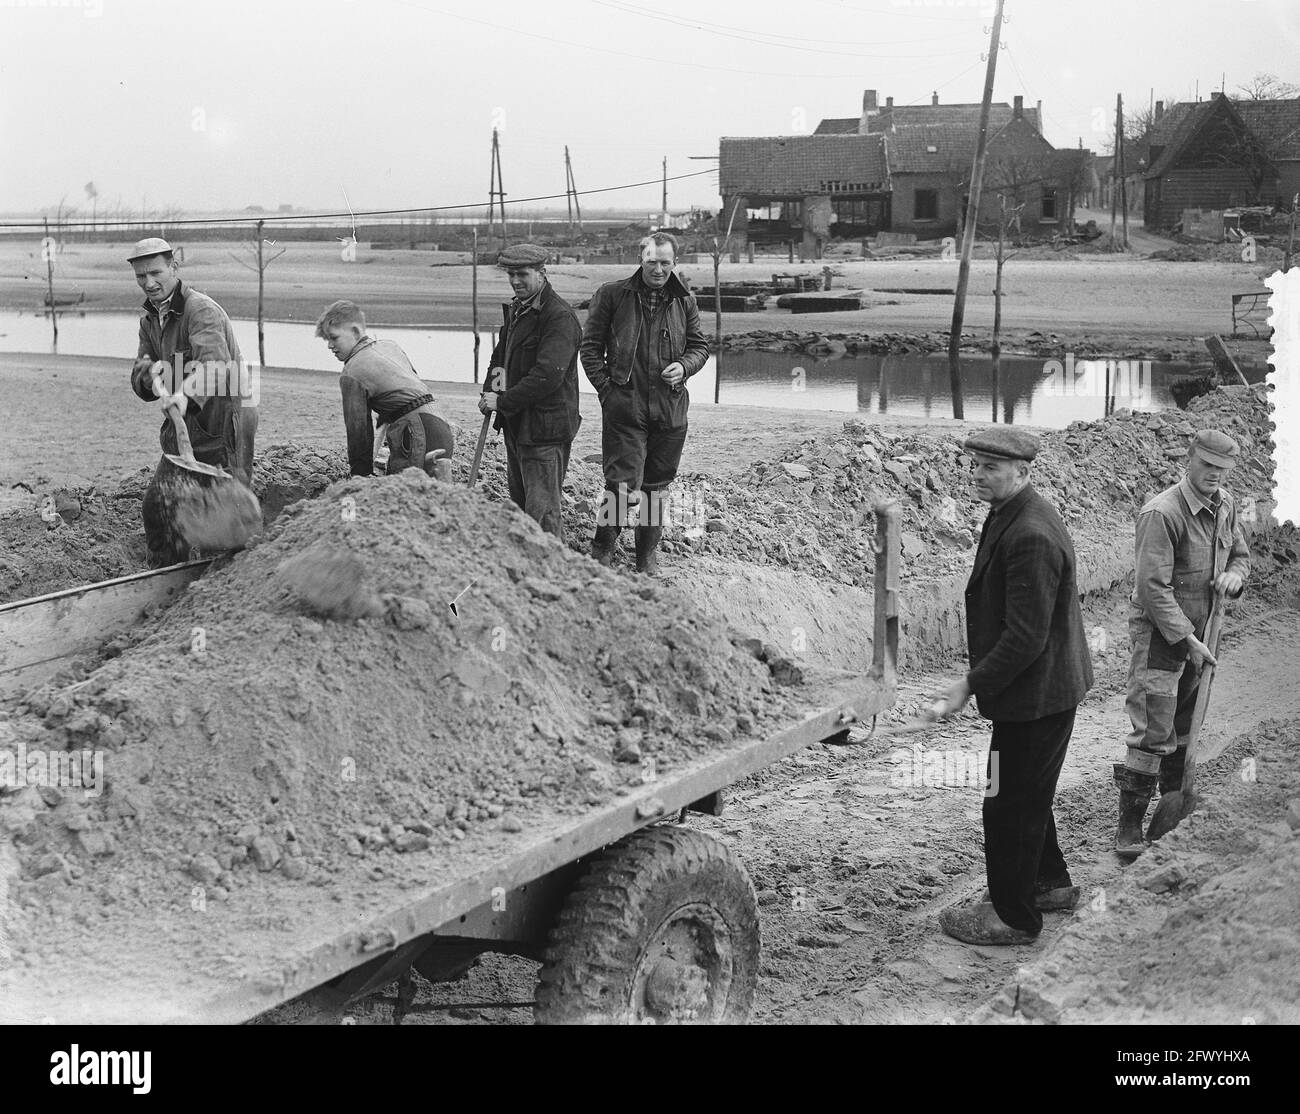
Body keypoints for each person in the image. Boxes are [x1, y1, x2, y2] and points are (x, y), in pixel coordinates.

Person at [933, 428, 1094, 946]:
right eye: (975, 465)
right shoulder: (1013, 513)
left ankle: (1015, 917)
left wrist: (968, 685)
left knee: (1007, 803)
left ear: (1023, 472)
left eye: (990, 468)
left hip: (1038, 693)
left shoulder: (1030, 534)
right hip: (1040, 689)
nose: (977, 475)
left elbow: (1026, 637)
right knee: (1028, 794)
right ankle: (1047, 885)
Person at [1113, 429, 1251, 859]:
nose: (1213, 474)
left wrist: (1235, 576)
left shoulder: (1225, 506)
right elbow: (1152, 589)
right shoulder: (1162, 513)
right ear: (1189, 459)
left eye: (1222, 469)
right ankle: (1129, 828)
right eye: (1207, 464)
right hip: (1162, 639)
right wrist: (1187, 639)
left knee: (1186, 727)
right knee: (1155, 731)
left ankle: (1173, 814)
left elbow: (1240, 556)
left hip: (1202, 638)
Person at [580, 232, 709, 574]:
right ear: (641, 259)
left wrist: (684, 366)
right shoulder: (612, 295)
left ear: (674, 263)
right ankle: (602, 550)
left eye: (666, 263)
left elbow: (700, 348)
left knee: (656, 489)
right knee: (620, 484)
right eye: (652, 262)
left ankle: (645, 559)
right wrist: (608, 393)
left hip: (670, 411)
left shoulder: (685, 301)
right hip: (626, 407)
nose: (658, 269)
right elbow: (590, 349)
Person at [127, 237, 257, 566]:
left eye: (156, 272)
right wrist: (149, 376)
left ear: (174, 267)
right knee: (158, 505)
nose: (149, 283)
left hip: (224, 418)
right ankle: (168, 578)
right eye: (141, 276)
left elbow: (216, 365)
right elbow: (141, 377)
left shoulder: (201, 310)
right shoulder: (149, 320)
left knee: (225, 510)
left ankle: (229, 583)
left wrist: (184, 394)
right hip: (182, 423)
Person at [477, 244, 583, 539]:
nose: (515, 281)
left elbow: (548, 376)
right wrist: (490, 393)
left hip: (544, 431)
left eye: (522, 274)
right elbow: (501, 360)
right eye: (511, 274)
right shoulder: (518, 310)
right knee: (523, 507)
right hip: (517, 424)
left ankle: (554, 573)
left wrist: (503, 400)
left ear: (542, 273)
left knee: (543, 512)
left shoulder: (558, 317)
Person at [315, 300, 455, 479]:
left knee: (407, 498)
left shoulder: (352, 372)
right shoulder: (390, 346)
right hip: (440, 426)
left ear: (355, 331)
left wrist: (361, 475)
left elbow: (359, 432)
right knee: (438, 498)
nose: (329, 346)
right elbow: (409, 385)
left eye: (334, 338)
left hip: (415, 434)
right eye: (327, 340)